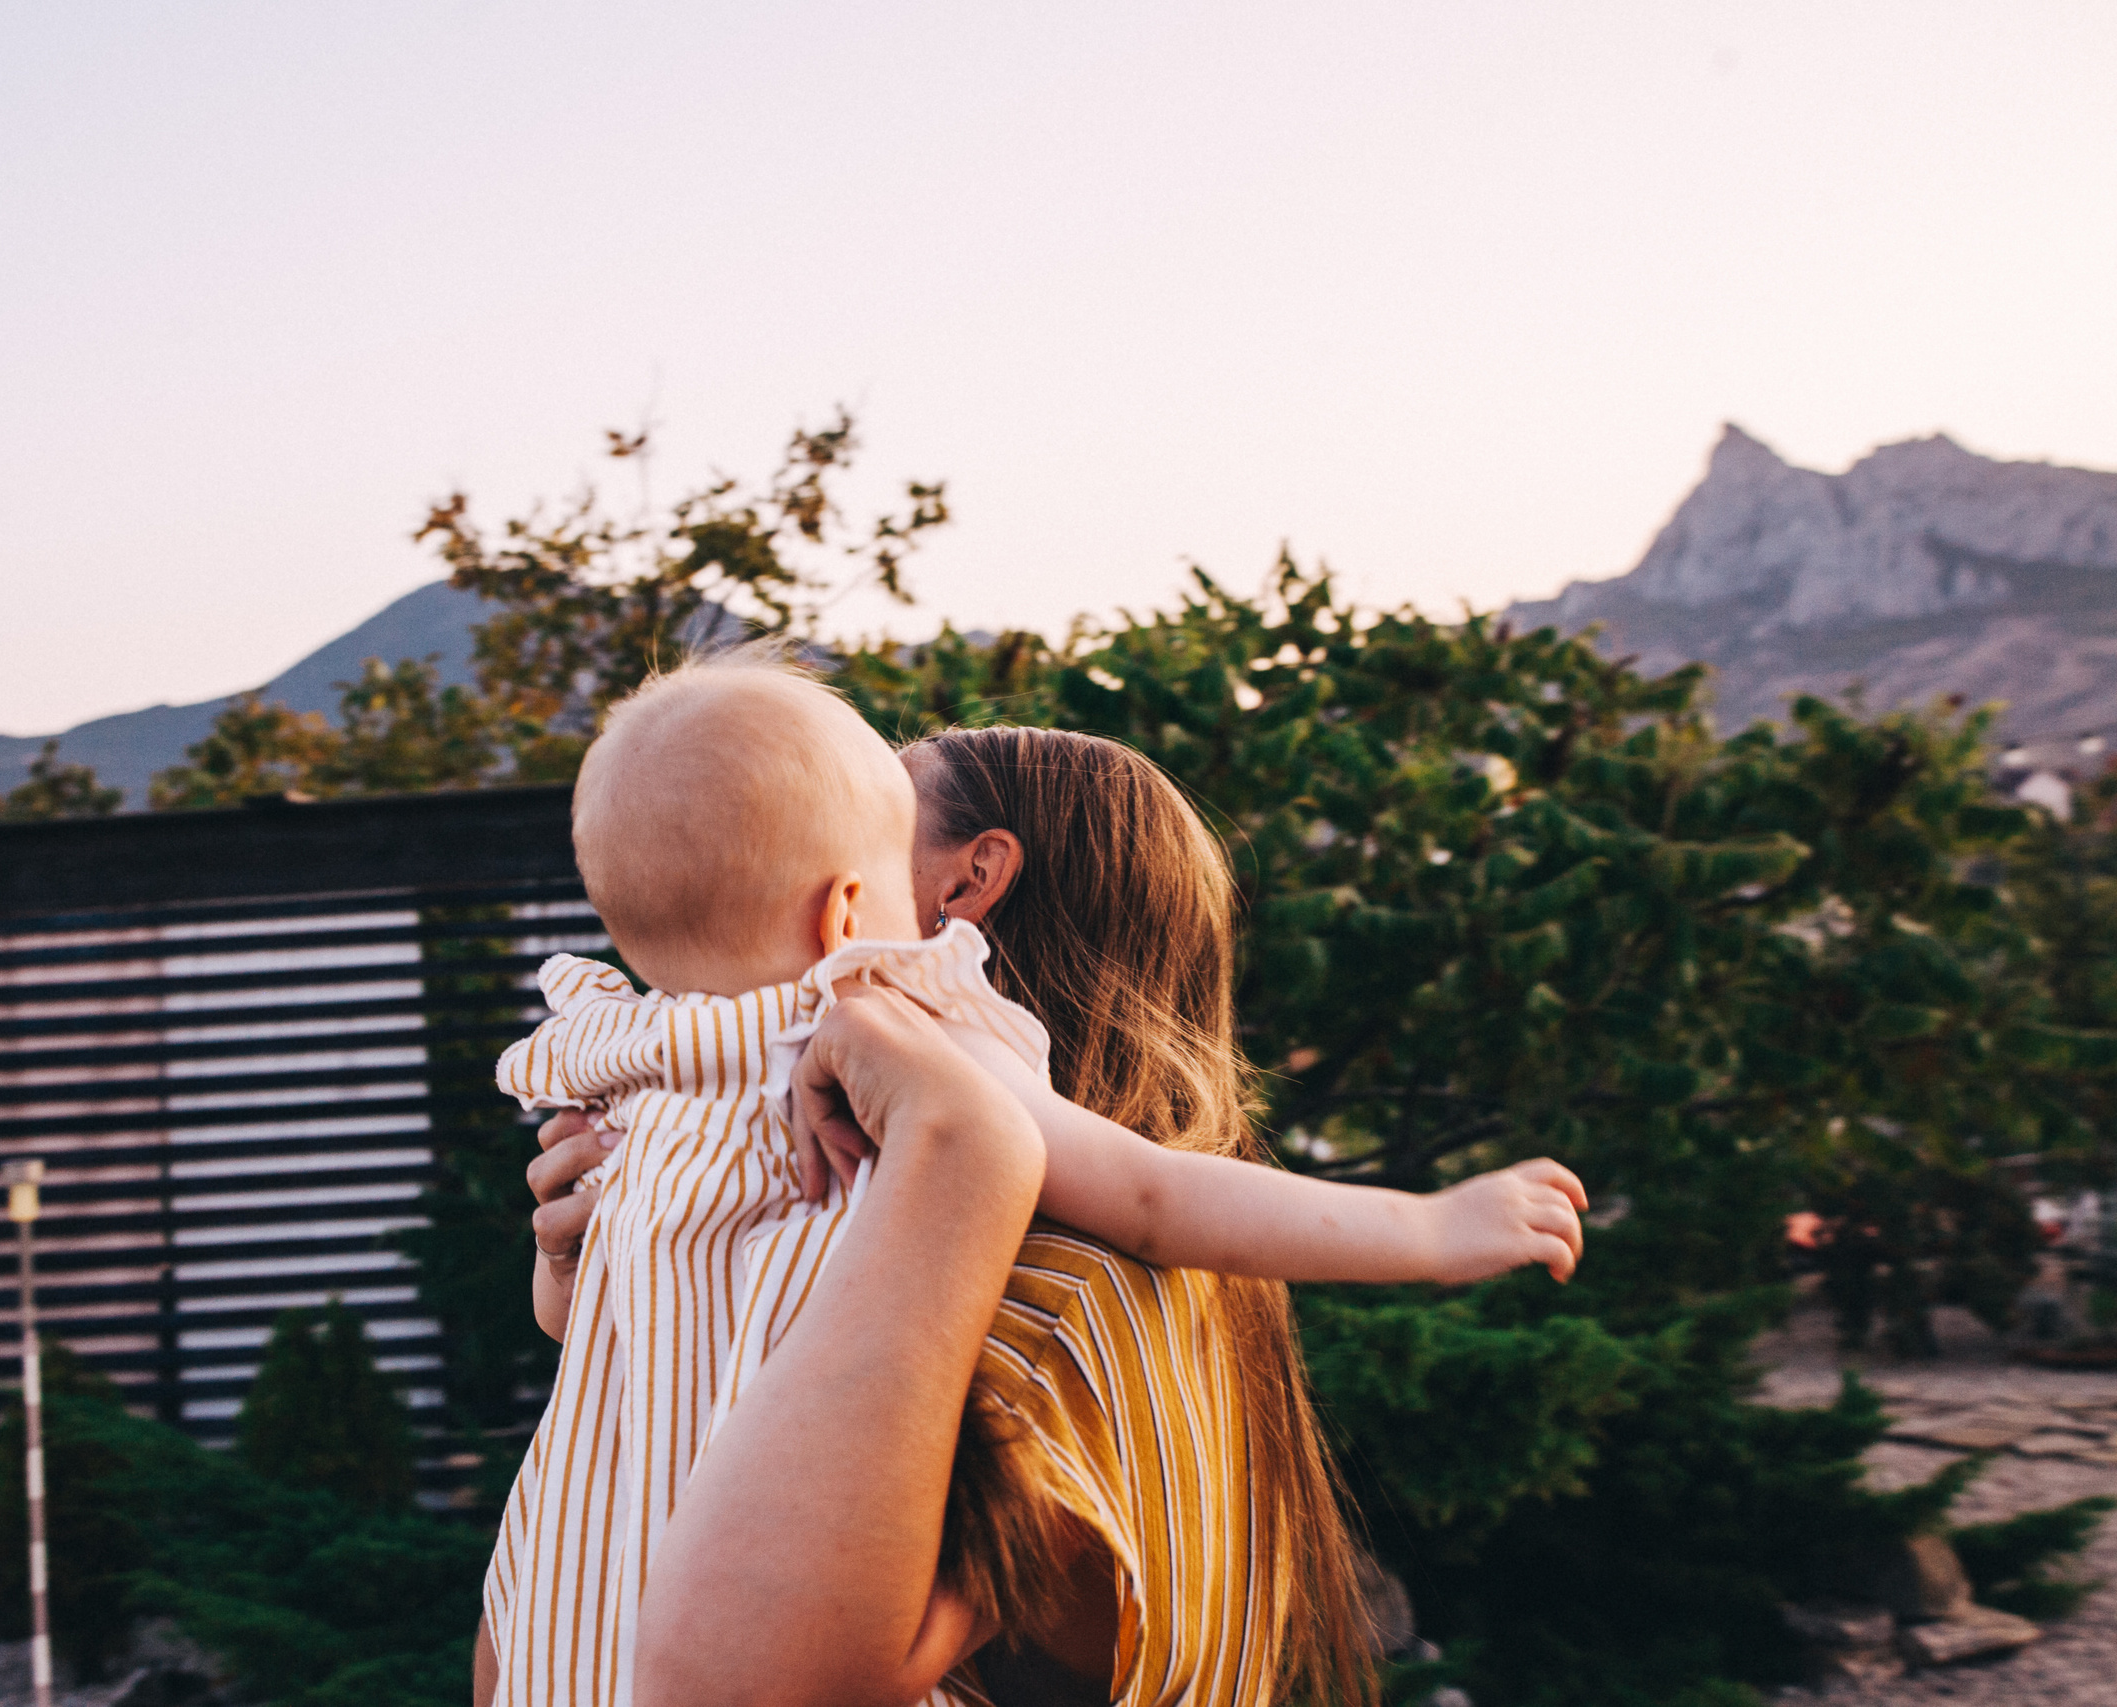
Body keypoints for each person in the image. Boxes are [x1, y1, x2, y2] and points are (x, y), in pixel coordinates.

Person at [483, 674, 1585, 1707]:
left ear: (968, 883)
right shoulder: (824, 1117)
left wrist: (964, 1147)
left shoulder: (1037, 1283)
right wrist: (595, 1280)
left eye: (868, 808)